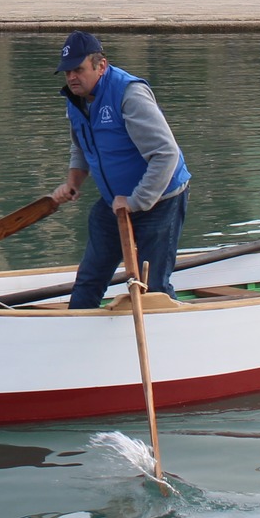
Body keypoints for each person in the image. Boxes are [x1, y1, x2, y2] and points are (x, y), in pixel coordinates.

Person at [48, 31, 190, 309]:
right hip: (115, 204)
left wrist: (137, 201)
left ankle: (171, 332)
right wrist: (73, 181)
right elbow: (81, 145)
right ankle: (75, 328)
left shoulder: (129, 94)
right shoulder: (75, 98)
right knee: (89, 278)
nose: (72, 78)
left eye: (78, 69)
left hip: (160, 200)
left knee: (154, 287)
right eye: (67, 72)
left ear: (101, 66)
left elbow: (166, 154)